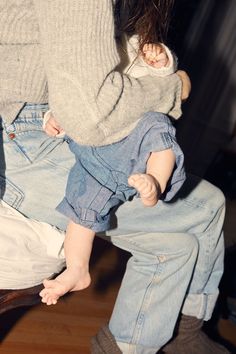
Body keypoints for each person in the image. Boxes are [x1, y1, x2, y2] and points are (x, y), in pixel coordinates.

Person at [0, 1, 229, 353]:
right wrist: (171, 88)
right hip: (22, 141)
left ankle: (181, 332)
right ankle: (181, 337)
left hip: (47, 123)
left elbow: (88, 54)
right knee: (206, 207)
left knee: (174, 247)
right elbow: (91, 113)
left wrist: (156, 60)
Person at [39, 38, 185, 306]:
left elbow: (168, 76)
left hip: (131, 139)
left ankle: (155, 181)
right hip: (93, 156)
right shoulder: (75, 51)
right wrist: (52, 118)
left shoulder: (132, 42)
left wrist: (160, 58)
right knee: (82, 209)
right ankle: (77, 269)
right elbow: (64, 94)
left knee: (159, 127)